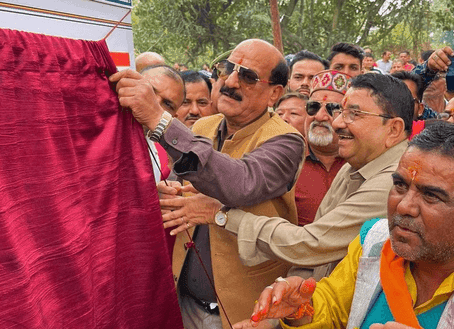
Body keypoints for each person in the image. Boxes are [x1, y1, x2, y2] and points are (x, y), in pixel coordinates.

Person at [110, 39, 305, 329]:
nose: (230, 81)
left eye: (246, 76)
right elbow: (198, 186)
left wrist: (160, 119)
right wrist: (171, 192)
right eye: (227, 69)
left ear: (274, 94)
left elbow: (240, 184)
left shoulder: (286, 140)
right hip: (189, 306)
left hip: (243, 319)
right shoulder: (202, 128)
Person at [250, 122, 454, 329]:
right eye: (400, 186)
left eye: (431, 196)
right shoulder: (375, 241)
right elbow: (333, 307)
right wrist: (300, 308)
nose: (404, 207)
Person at [161, 73, 413, 283]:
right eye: (340, 112)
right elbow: (319, 259)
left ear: (394, 129)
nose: (335, 123)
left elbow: (311, 244)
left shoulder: (395, 183)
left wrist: (221, 215)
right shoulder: (355, 166)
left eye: (353, 114)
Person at [294, 70, 348, 226]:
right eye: (313, 107)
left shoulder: (362, 162)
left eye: (332, 108)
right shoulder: (285, 158)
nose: (319, 116)